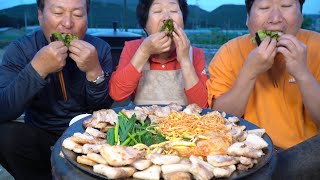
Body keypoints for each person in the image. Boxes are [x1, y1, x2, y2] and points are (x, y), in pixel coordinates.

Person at [0, 0, 113, 179]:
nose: (67, 23)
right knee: (5, 135)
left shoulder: (99, 49)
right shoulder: (21, 49)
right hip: (39, 135)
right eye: (58, 13)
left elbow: (102, 108)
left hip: (87, 134)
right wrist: (37, 69)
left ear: (87, 17)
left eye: (77, 14)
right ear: (40, 15)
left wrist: (94, 71)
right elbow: (4, 109)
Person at [207, 0, 319, 150]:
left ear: (301, 14)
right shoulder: (228, 52)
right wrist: (249, 72)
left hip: (309, 155)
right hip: (248, 153)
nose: (275, 18)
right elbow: (219, 120)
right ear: (248, 17)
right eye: (264, 7)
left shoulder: (317, 46)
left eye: (286, 6)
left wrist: (302, 73)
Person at [109, 0, 208, 107]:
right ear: (145, 25)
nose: (167, 18)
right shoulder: (133, 48)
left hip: (182, 122)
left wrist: (185, 60)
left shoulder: (195, 53)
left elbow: (202, 106)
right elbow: (117, 94)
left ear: (183, 21)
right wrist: (143, 52)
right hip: (144, 122)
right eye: (157, 11)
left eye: (174, 11)